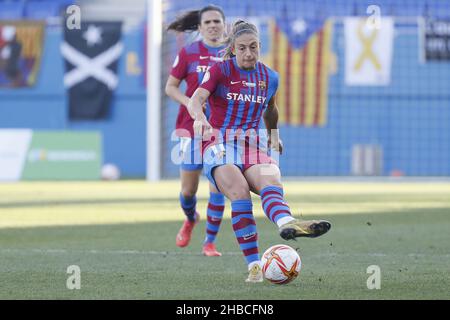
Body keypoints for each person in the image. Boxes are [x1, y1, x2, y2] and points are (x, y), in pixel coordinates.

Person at [187, 20, 331, 282]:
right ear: (233, 49)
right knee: (239, 190)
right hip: (218, 143)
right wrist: (199, 118)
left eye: (254, 47)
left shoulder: (270, 77)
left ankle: (287, 223)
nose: (249, 53)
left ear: (260, 46)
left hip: (251, 145)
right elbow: (196, 99)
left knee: (271, 176)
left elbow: (271, 110)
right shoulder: (220, 71)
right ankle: (255, 265)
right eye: (242, 48)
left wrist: (274, 136)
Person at [165, 5, 228, 257]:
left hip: (221, 130)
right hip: (189, 129)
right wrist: (191, 104)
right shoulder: (189, 52)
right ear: (200, 27)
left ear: (225, 24)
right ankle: (191, 219)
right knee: (188, 190)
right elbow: (170, 87)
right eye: (208, 22)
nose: (213, 25)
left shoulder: (232, 54)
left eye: (217, 21)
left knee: (217, 185)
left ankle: (209, 243)